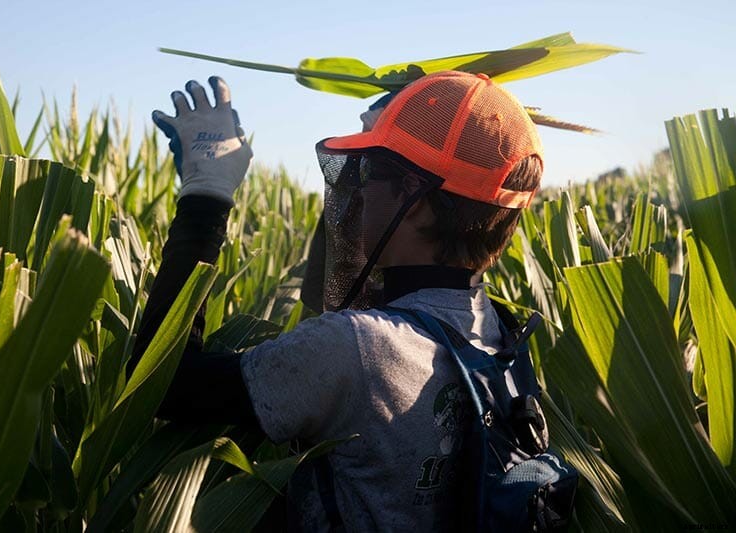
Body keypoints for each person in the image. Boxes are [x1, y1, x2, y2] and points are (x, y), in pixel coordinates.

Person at [131, 71, 544, 531]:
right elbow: (352, 297)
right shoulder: (497, 332)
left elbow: (160, 384)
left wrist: (204, 200)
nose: (357, 190)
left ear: (417, 199)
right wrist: (414, 120)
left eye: (370, 172)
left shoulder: (355, 349)